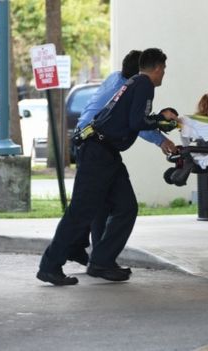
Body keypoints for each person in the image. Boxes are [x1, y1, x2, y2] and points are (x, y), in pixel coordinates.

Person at [37, 48, 180, 285]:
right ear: (156, 69)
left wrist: (158, 123)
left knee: (126, 207)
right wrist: (161, 122)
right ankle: (50, 266)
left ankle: (101, 261)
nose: (163, 74)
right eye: (163, 69)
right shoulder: (144, 84)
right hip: (97, 151)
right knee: (82, 211)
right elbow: (137, 121)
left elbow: (130, 118)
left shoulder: (126, 82)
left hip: (106, 152)